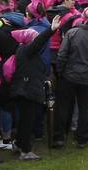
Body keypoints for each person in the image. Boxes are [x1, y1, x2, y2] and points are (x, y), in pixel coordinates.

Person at [51, 7, 88, 149]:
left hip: (69, 76)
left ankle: (59, 137)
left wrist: (61, 71)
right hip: (87, 77)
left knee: (62, 106)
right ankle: (83, 138)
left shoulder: (72, 33)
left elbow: (62, 54)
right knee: (84, 108)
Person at [8, 17, 58, 161]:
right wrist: (51, 30)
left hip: (25, 89)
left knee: (24, 120)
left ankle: (19, 144)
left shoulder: (24, 51)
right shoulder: (26, 50)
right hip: (27, 90)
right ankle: (25, 150)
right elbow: (38, 42)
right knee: (27, 122)